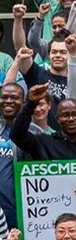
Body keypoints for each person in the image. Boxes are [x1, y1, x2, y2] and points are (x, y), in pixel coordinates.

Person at [10, 83, 76, 240]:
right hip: (45, 225)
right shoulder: (44, 142)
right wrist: (30, 105)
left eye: (75, 115)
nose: (71, 119)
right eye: (65, 115)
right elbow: (16, 135)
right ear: (57, 119)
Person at [0, 83, 25, 229]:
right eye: (4, 97)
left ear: (23, 102)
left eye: (14, 97)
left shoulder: (34, 133)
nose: (8, 101)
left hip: (23, 213)